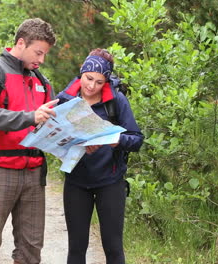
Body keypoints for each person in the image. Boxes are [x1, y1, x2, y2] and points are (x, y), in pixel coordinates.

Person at [0, 18, 58, 264]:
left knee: (31, 251)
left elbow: (49, 125)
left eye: (45, 54)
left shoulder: (42, 82)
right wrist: (31, 117)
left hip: (33, 175)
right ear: (21, 42)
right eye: (38, 52)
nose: (41, 60)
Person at [56, 48, 144, 264]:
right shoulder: (63, 99)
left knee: (113, 248)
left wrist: (116, 140)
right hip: (76, 182)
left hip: (110, 182)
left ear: (106, 81)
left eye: (99, 82)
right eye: (88, 78)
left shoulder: (117, 101)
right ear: (81, 73)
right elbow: (53, 134)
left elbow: (137, 139)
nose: (92, 86)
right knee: (76, 248)